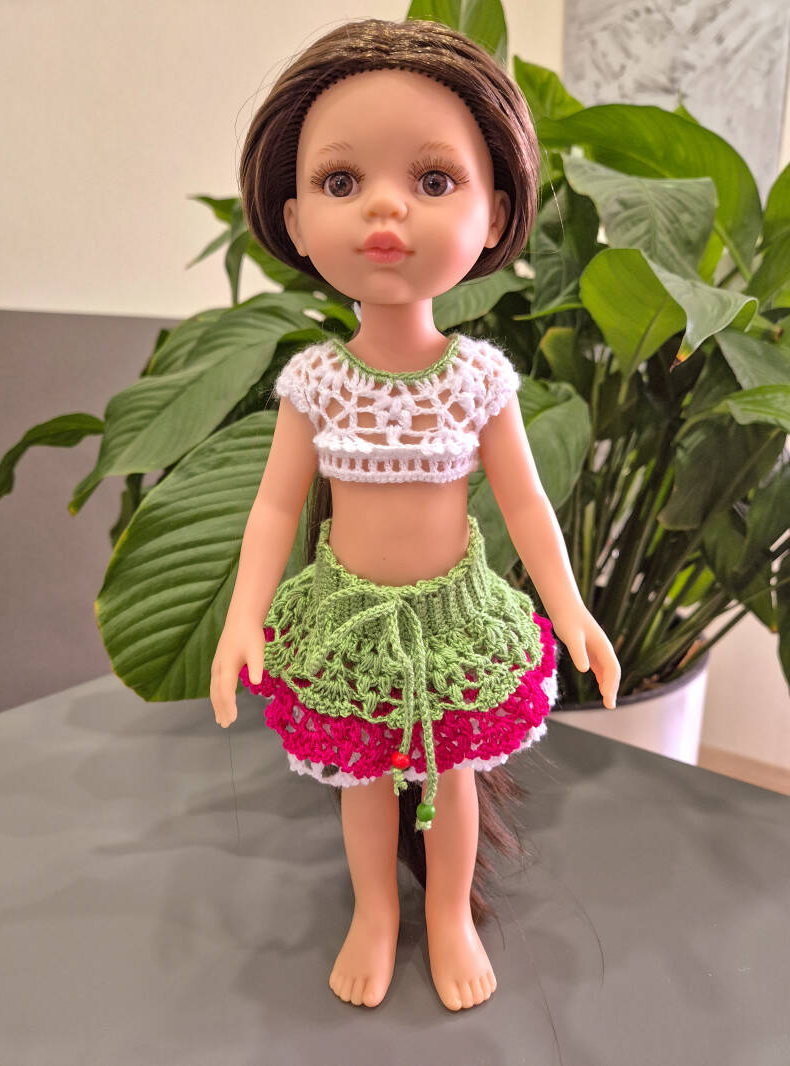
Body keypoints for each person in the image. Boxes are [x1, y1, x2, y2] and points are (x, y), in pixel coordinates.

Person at [210, 17, 620, 1013]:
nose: (386, 206)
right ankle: (373, 910)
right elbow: (276, 505)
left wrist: (569, 606)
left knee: (454, 782)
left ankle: (446, 913)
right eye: (341, 181)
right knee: (363, 783)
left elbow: (524, 499)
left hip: (452, 614)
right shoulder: (316, 383)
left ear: (494, 213)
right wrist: (240, 615)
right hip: (348, 617)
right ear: (294, 219)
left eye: (434, 180)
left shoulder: (476, 379)